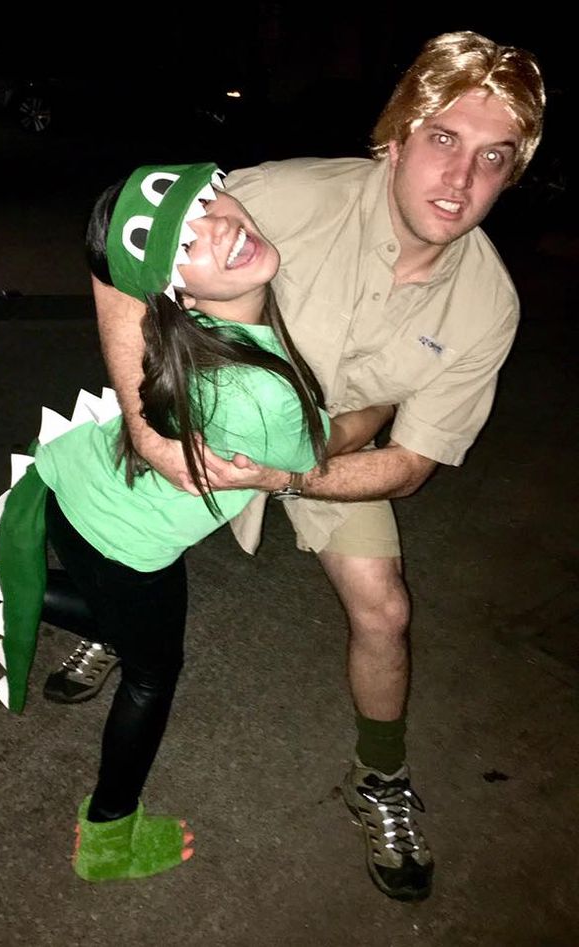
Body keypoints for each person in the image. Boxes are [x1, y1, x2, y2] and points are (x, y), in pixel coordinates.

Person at [55, 32, 546, 900]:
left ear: (513, 172)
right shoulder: (290, 193)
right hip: (222, 401)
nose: (461, 179)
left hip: (329, 450)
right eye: (444, 139)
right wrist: (147, 425)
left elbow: (409, 464)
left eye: (493, 157)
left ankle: (379, 779)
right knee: (131, 518)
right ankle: (112, 621)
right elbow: (124, 252)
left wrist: (282, 478)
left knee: (385, 609)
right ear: (395, 139)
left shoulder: (488, 306)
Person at [0, 162, 393, 882]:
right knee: (151, 670)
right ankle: (110, 832)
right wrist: (395, 399)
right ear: (177, 289)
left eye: (208, 206)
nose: (222, 229)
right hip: (124, 536)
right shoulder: (262, 397)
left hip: (72, 484)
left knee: (120, 618)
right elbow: (329, 446)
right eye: (185, 245)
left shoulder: (186, 328)